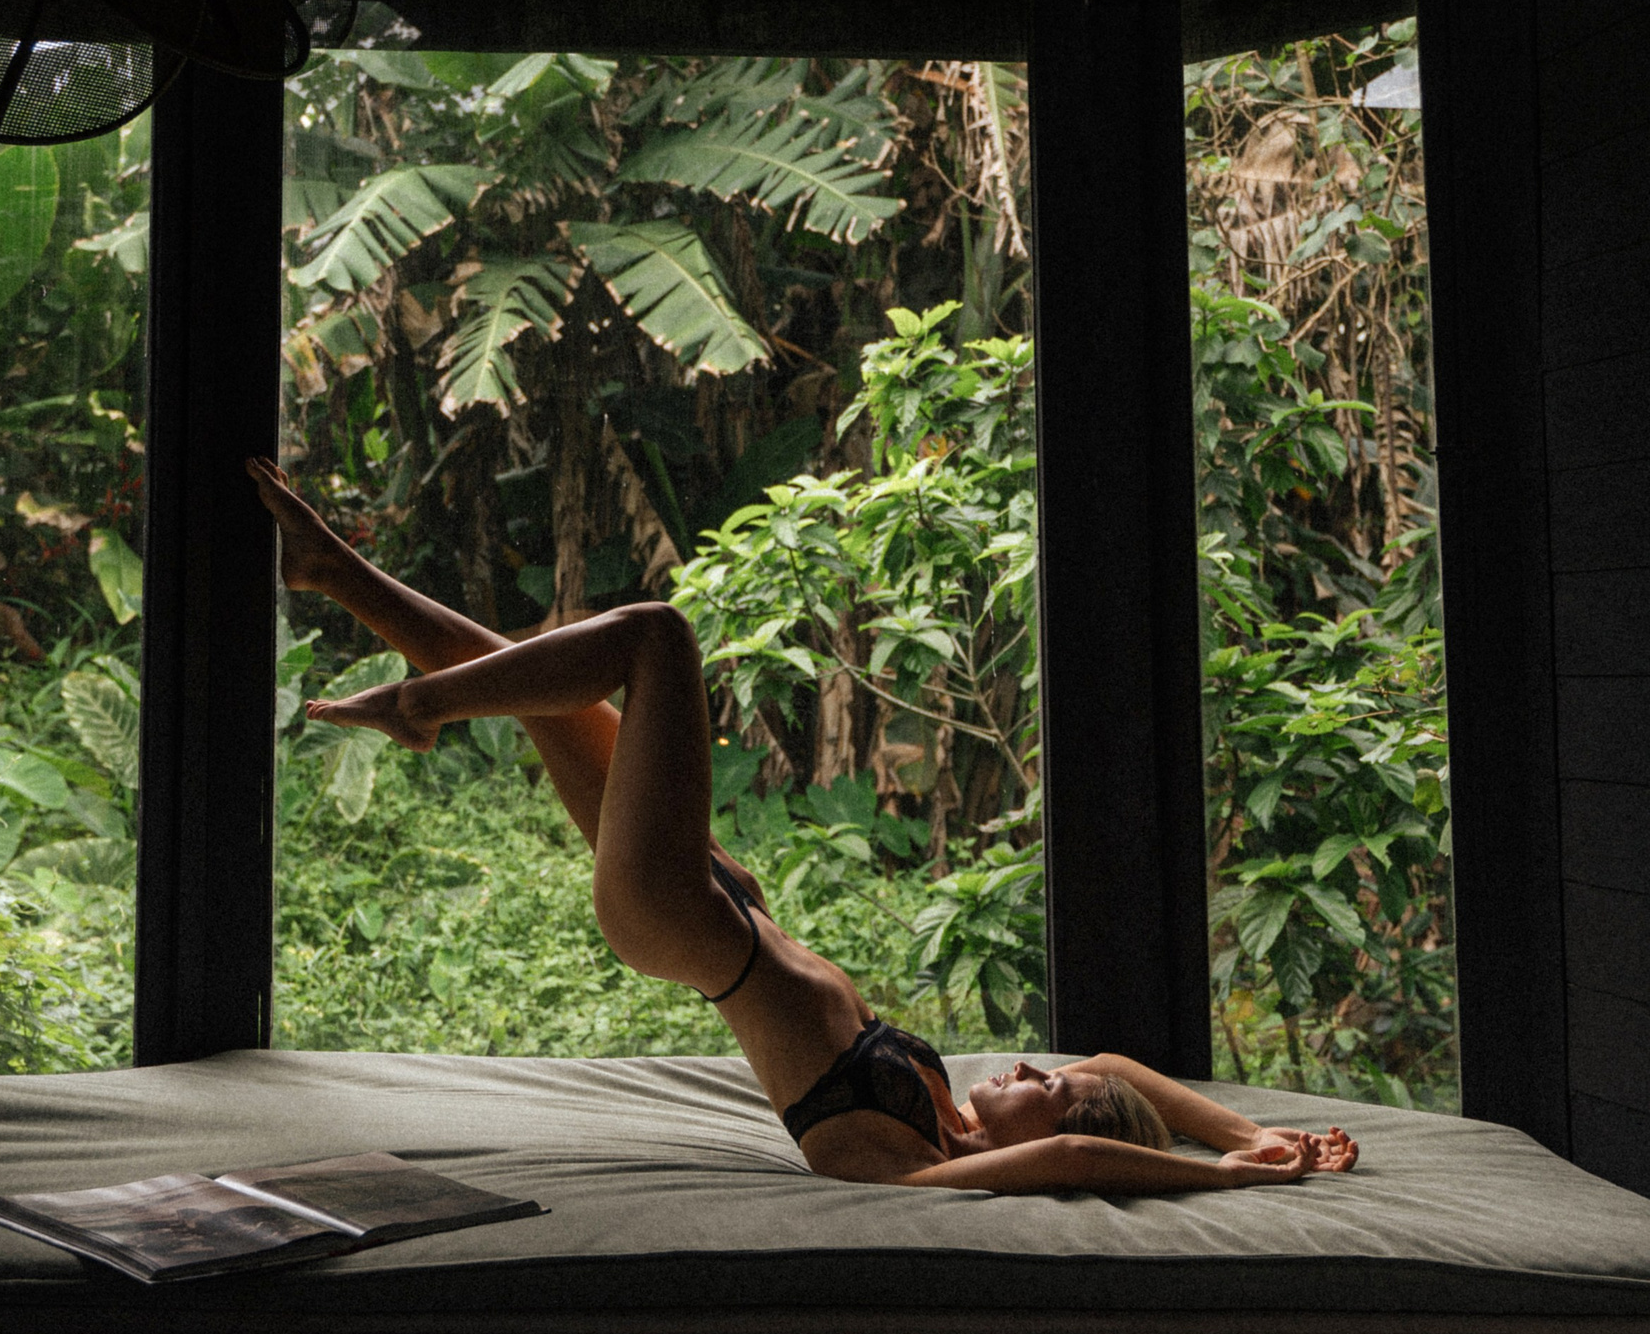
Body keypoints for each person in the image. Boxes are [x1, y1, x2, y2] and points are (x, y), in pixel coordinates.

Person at [248, 459, 1358, 1196]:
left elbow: (1080, 1154)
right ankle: (337, 574)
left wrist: (1219, 1180)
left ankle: (420, 705)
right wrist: (1242, 1132)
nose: (1035, 1064)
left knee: (656, 639)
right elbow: (1110, 1068)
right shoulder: (962, 1117)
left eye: (1047, 1087)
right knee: (547, 690)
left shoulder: (914, 1166)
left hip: (675, 916)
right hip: (727, 901)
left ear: (1054, 1144)